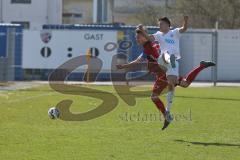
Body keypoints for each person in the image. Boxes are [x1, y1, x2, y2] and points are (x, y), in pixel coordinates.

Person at [117, 26, 215, 130]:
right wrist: (124, 66)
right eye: (136, 37)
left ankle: (167, 116)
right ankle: (201, 66)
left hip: (163, 74)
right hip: (166, 72)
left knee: (154, 96)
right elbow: (138, 60)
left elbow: (160, 55)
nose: (137, 39)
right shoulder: (148, 47)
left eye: (138, 37)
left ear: (145, 36)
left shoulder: (151, 46)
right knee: (185, 83)